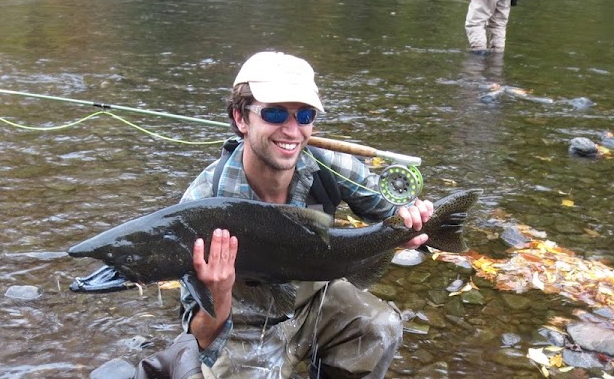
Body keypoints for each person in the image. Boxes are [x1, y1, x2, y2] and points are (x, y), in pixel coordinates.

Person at [176, 51, 434, 379]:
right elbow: (198, 339)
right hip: (240, 326)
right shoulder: (202, 203)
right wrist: (217, 292)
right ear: (241, 118)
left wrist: (415, 221)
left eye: (305, 116)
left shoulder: (328, 166)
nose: (292, 130)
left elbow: (392, 209)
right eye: (274, 113)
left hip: (313, 304)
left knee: (380, 327)